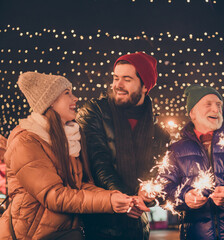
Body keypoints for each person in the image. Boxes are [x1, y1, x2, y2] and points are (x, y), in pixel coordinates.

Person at [0, 72, 149, 240]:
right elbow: (54, 195)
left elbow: (78, 187)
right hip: (30, 235)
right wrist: (109, 202)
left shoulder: (68, 140)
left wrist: (117, 197)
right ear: (50, 102)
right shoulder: (26, 142)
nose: (76, 98)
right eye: (67, 93)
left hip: (64, 233)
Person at [76, 52, 170, 240]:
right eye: (116, 78)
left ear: (145, 86)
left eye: (126, 79)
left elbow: (161, 175)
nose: (117, 85)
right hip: (96, 225)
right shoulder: (94, 112)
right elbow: (98, 162)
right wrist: (129, 200)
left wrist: (151, 194)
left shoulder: (159, 133)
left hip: (137, 228)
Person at [160, 85, 224, 240]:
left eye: (219, 105)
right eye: (208, 104)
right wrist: (184, 196)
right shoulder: (176, 150)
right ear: (192, 113)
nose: (216, 109)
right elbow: (164, 190)